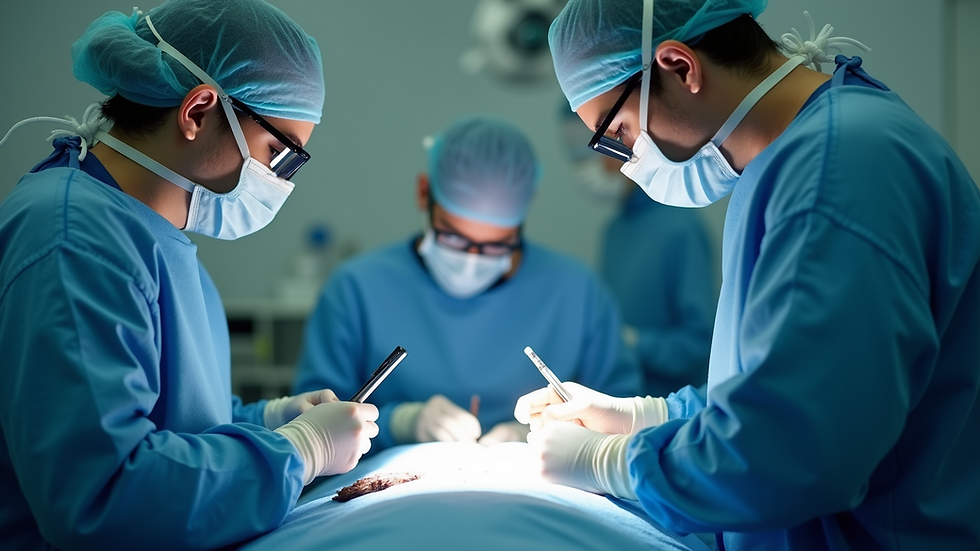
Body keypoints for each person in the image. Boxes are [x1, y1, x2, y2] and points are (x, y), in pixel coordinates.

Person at [515, 1, 980, 549]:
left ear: (680, 66)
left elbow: (792, 453)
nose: (623, 160)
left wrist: (610, 463)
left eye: (616, 131)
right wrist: (644, 416)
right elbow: (785, 384)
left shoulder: (840, 170)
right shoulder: (785, 164)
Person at [0, 1, 379, 549]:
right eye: (280, 155)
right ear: (199, 110)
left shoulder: (156, 239)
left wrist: (270, 421)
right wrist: (299, 451)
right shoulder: (73, 238)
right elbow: (101, 496)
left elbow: (172, 423)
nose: (282, 182)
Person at [294, 115, 641, 453]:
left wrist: (556, 429)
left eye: (495, 246)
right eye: (455, 239)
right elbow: (310, 420)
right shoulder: (356, 290)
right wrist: (398, 422)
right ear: (423, 192)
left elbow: (622, 418)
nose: (472, 260)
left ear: (523, 215)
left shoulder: (577, 293)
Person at [562, 107, 716, 397]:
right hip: (621, 403)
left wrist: (632, 341)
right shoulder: (615, 230)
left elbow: (698, 346)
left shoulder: (678, 226)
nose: (583, 165)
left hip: (671, 413)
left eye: (589, 149)